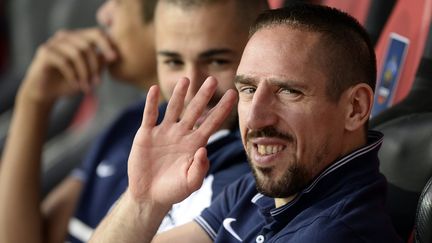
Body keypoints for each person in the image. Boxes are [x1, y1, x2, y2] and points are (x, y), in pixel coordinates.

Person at [89, 4, 404, 243]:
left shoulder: (338, 232)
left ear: (355, 108)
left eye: (288, 92)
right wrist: (144, 201)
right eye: (249, 90)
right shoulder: (263, 189)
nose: (255, 118)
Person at [0, 0, 267, 242]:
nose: (191, 85)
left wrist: (142, 203)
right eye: (173, 61)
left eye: (217, 61)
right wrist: (33, 101)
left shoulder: (253, 169)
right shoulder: (133, 121)